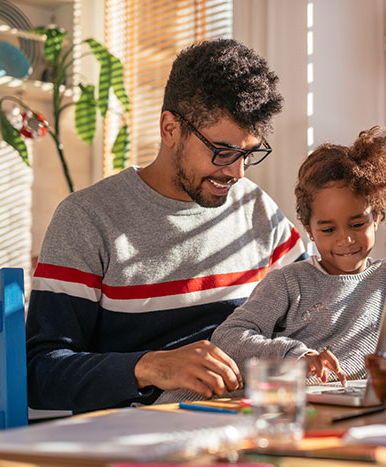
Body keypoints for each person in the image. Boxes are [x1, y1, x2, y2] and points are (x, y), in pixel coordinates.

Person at [25, 39, 306, 413]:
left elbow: (314, 310)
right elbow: (39, 374)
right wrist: (150, 367)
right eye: (221, 151)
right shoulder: (88, 218)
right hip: (135, 439)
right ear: (170, 128)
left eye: (248, 153)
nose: (236, 172)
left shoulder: (256, 210)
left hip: (248, 426)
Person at [155, 125, 386, 403]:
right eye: (328, 230)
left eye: (357, 224)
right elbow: (228, 337)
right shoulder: (290, 282)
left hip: (330, 403)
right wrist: (295, 355)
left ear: (376, 219)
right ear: (309, 230)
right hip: (216, 402)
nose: (346, 239)